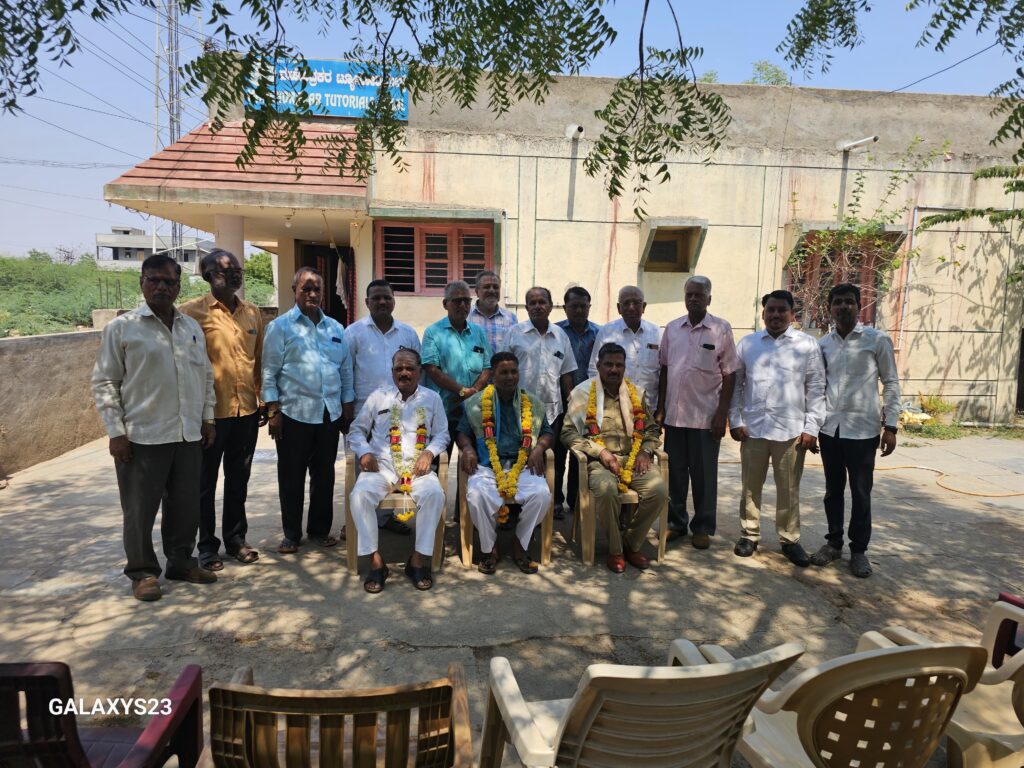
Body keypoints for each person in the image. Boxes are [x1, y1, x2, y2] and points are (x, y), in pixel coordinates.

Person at [91, 254, 217, 601]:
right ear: (142, 283)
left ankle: (181, 562)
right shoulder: (122, 328)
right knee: (139, 511)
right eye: (154, 280)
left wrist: (207, 418)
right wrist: (116, 432)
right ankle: (143, 572)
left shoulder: (191, 328)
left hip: (187, 433)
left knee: (186, 506)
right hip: (142, 436)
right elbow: (105, 382)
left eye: (169, 281)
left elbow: (206, 377)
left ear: (178, 286)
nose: (161, 287)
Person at [179, 248, 265, 571]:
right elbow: (186, 366)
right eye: (225, 271)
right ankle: (206, 547)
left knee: (238, 481)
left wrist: (262, 402)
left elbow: (258, 362)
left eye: (237, 270)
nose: (234, 275)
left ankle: (236, 540)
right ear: (208, 276)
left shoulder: (252, 313)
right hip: (210, 417)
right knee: (204, 485)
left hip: (246, 413)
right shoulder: (190, 313)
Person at [729, 290, 826, 567]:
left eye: (781, 310)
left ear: (792, 314)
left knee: (789, 489)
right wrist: (735, 421)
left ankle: (789, 539)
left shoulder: (807, 345)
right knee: (750, 487)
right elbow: (736, 386)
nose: (775, 315)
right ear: (763, 313)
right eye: (770, 310)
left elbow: (816, 388)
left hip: (791, 430)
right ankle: (749, 534)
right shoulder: (748, 344)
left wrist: (811, 427)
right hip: (754, 429)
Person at [262, 266, 355, 554]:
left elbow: (345, 370)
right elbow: (269, 372)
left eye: (317, 289)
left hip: (329, 413)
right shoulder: (280, 327)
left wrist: (347, 406)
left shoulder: (335, 328)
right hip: (293, 414)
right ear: (295, 291)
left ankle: (319, 530)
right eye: (306, 288)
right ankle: (291, 534)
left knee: (324, 475)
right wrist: (273, 411)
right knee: (291, 476)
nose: (313, 294)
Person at [810, 283, 900, 578]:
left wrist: (891, 426)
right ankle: (833, 543)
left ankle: (858, 550)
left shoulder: (877, 340)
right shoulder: (823, 344)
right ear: (830, 308)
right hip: (830, 430)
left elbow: (891, 382)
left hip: (863, 431)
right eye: (837, 302)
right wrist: (812, 425)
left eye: (848, 301)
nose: (843, 307)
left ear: (858, 306)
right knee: (832, 491)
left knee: (861, 492)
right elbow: (817, 387)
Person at [347, 349, 449, 593]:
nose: (404, 373)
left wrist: (429, 453)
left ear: (419, 372)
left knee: (435, 494)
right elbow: (356, 430)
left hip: (417, 470)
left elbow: (442, 434)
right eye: (399, 368)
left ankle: (417, 560)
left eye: (410, 368)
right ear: (392, 372)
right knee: (359, 495)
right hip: (381, 467)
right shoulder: (378, 397)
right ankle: (376, 561)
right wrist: (365, 452)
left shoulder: (432, 398)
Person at [563, 343, 667, 573]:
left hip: (633, 458)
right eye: (608, 364)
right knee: (607, 491)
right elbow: (568, 433)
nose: (614, 369)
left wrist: (645, 451)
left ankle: (632, 543)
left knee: (659, 492)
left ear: (624, 367)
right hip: (599, 462)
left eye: (619, 365)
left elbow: (651, 429)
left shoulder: (635, 393)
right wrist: (600, 452)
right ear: (598, 366)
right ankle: (615, 549)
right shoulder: (582, 393)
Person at [654, 276, 739, 550]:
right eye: (689, 294)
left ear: (709, 299)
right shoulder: (672, 328)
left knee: (704, 477)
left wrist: (722, 414)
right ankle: (676, 523)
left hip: (705, 418)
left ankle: (702, 527)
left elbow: (730, 374)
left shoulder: (721, 329)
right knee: (675, 475)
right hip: (675, 417)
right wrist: (661, 408)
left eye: (699, 295)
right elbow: (664, 369)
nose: (693, 299)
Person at [456, 352, 554, 575]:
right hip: (488, 465)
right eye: (504, 372)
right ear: (493, 375)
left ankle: (520, 543)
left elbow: (548, 432)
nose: (510, 377)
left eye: (513, 372)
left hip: (523, 465)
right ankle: (489, 548)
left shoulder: (532, 403)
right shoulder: (477, 403)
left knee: (541, 495)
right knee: (476, 495)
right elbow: (461, 431)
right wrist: (468, 448)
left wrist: (539, 448)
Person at [344, 279, 421, 538]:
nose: (382, 302)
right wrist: (346, 407)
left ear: (393, 300)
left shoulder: (407, 334)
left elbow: (416, 371)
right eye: (376, 298)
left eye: (386, 297)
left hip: (402, 412)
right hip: (363, 411)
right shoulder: (353, 333)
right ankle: (356, 519)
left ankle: (385, 518)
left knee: (396, 462)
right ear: (367, 302)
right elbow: (345, 371)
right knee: (361, 466)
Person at [501, 286, 576, 514]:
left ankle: (552, 504)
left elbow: (567, 373)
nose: (537, 306)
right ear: (526, 307)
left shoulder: (560, 336)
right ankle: (516, 508)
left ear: (551, 306)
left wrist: (572, 407)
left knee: (552, 459)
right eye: (532, 303)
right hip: (517, 410)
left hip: (552, 411)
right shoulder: (514, 333)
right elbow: (501, 368)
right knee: (519, 458)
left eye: (542, 302)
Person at [422, 280, 492, 446]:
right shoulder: (433, 332)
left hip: (473, 409)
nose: (462, 305)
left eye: (466, 301)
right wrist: (461, 391)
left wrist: (473, 391)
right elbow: (432, 369)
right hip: (443, 410)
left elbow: (487, 367)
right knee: (439, 456)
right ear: (445, 304)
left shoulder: (478, 332)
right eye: (457, 301)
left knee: (472, 457)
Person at [554, 286, 600, 519]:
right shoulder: (556, 332)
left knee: (580, 453)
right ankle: (555, 501)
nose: (579, 310)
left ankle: (574, 499)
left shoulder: (599, 333)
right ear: (565, 308)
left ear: (589, 307)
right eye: (574, 306)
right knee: (557, 452)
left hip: (589, 405)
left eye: (584, 306)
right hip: (560, 402)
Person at [587, 286, 662, 411]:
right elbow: (594, 369)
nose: (631, 308)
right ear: (619, 308)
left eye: (636, 303)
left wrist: (660, 409)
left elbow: (663, 372)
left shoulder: (657, 333)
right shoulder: (607, 331)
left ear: (643, 306)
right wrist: (600, 402)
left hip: (650, 407)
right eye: (626, 303)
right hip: (614, 408)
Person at [468, 269, 518, 352]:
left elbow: (515, 348)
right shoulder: (466, 317)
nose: (492, 290)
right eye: (487, 287)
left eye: (496, 287)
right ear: (477, 292)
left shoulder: (511, 318)